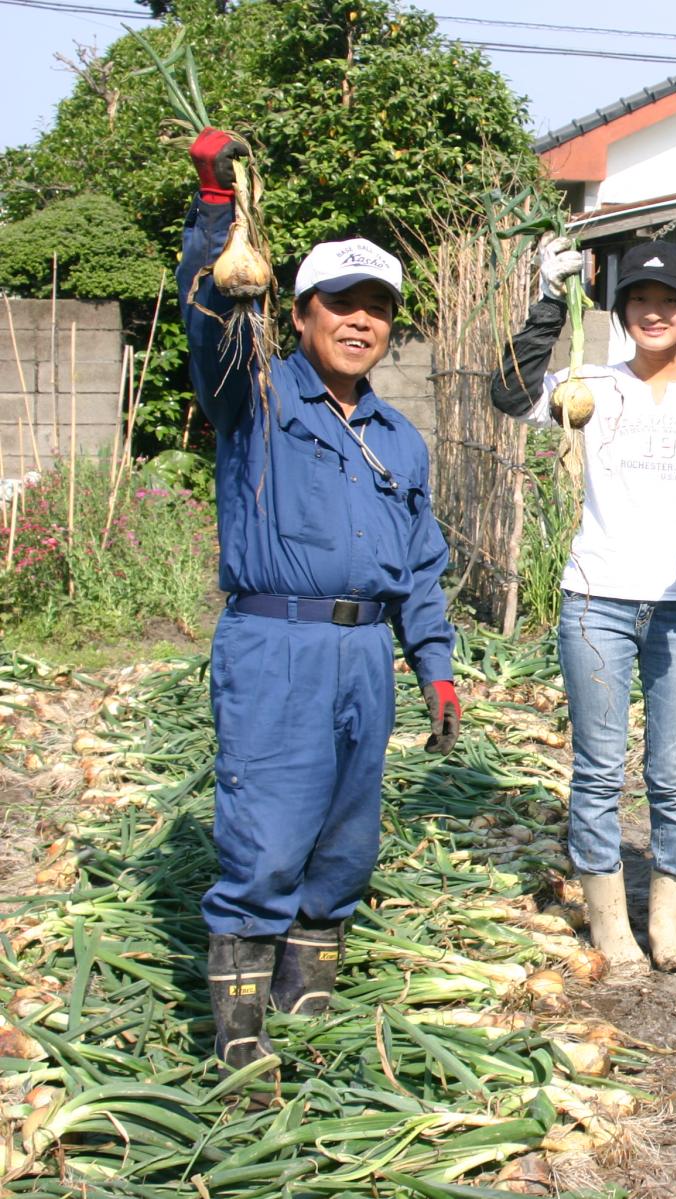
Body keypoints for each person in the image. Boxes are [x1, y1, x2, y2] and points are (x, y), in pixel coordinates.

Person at [180, 128, 460, 1068]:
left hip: (362, 658)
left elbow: (420, 564)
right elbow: (213, 319)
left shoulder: (399, 437)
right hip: (276, 651)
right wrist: (216, 213)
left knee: (344, 842)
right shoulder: (252, 396)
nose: (360, 321)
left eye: (377, 307)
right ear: (300, 314)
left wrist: (436, 668)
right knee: (266, 838)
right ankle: (240, 1044)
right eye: (340, 302)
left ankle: (310, 1011)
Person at [489, 237, 676, 978]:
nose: (653, 314)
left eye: (667, 303)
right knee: (598, 768)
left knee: (674, 769)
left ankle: (669, 921)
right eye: (638, 302)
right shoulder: (587, 385)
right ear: (622, 312)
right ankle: (608, 921)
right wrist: (546, 302)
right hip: (596, 598)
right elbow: (506, 390)